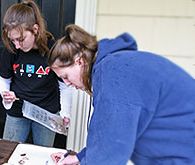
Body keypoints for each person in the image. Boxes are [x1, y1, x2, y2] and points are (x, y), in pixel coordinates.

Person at [47, 25, 195, 165]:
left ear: (79, 62)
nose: (66, 83)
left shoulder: (113, 71)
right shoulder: (114, 66)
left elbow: (110, 148)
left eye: (65, 76)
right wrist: (80, 157)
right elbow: (108, 134)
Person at [0, 0, 73, 147]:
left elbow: (65, 85)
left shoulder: (53, 49)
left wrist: (65, 112)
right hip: (18, 111)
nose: (17, 45)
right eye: (13, 40)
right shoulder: (12, 49)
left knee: (42, 154)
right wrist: (5, 93)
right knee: (8, 150)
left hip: (46, 113)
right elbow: (3, 79)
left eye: (21, 39)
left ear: (35, 29)